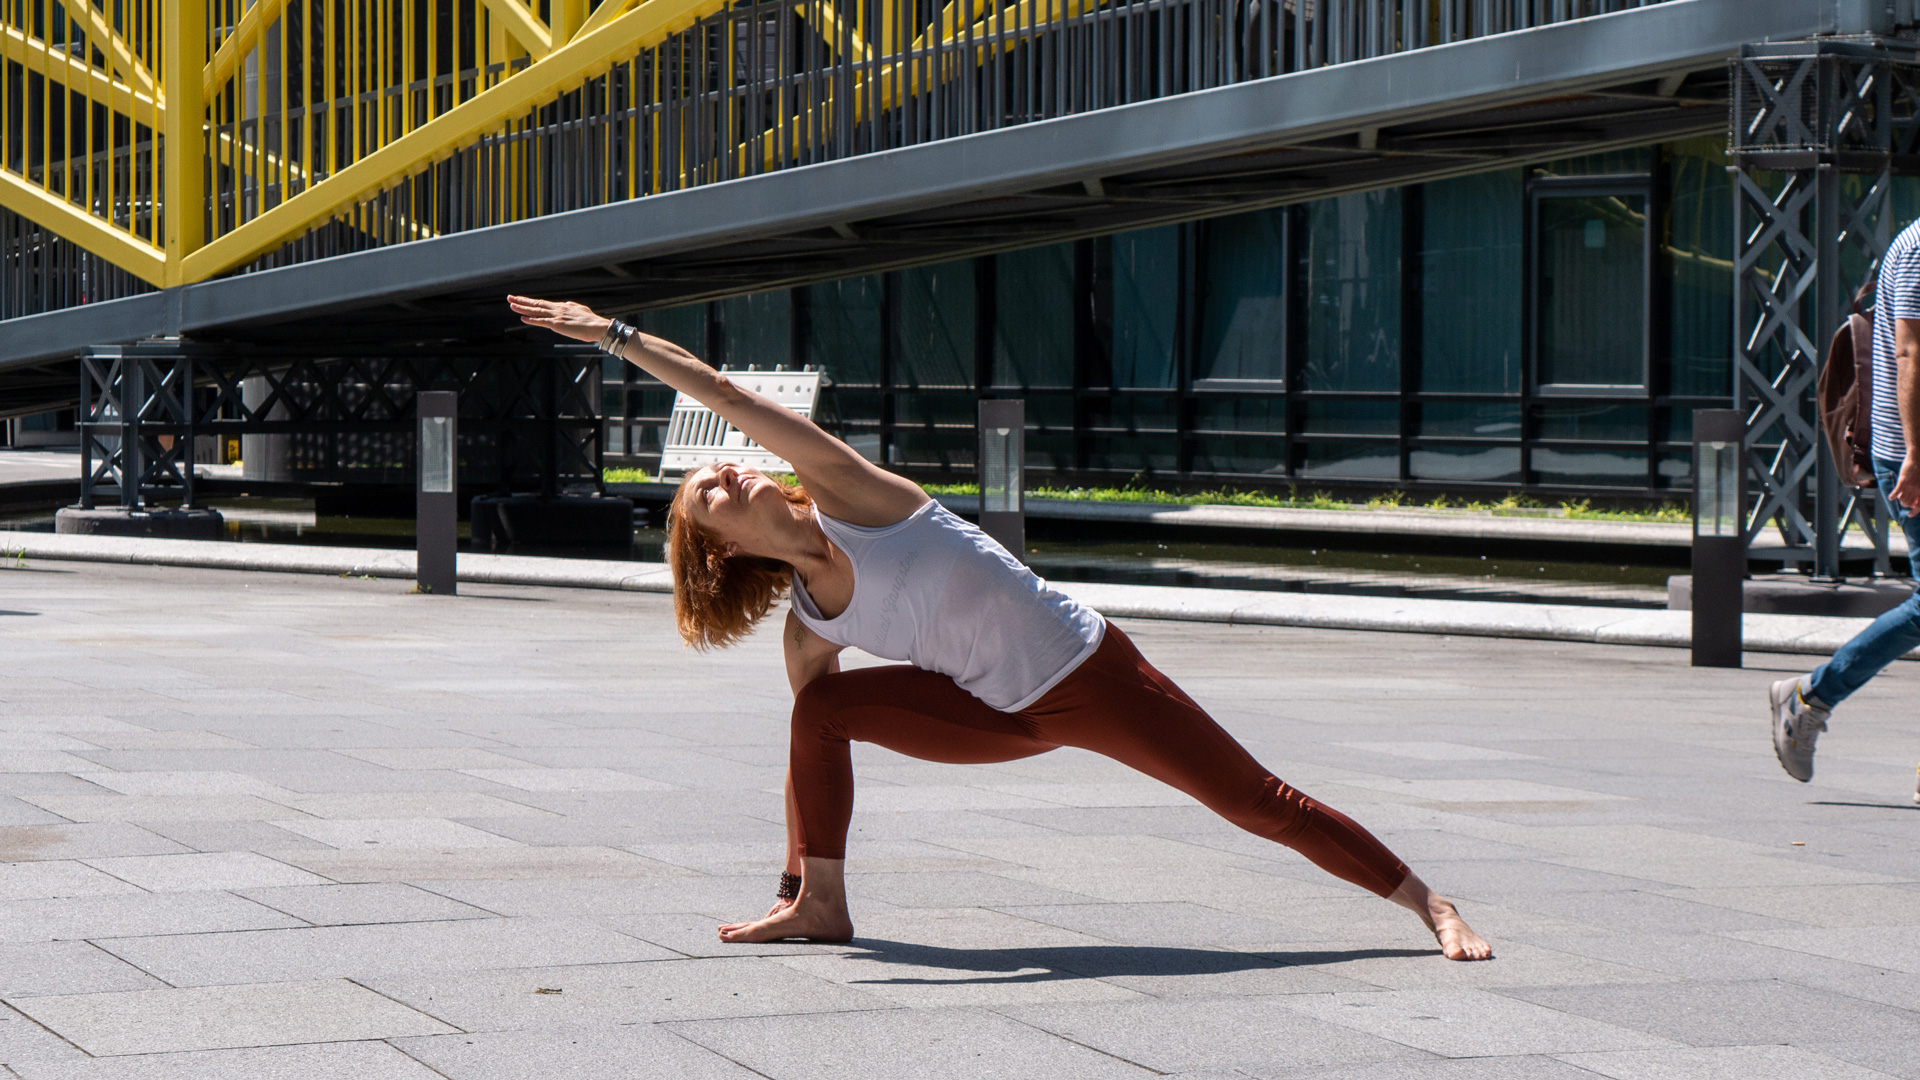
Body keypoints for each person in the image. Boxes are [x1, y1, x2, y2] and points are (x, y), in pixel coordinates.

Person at [509, 293, 1493, 960]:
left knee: (1252, 798)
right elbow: (807, 759)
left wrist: (614, 336)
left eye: (725, 467)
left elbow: (725, 396)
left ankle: (1426, 902)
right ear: (720, 550)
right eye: (709, 492)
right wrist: (788, 868)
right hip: (994, 715)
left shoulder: (851, 493)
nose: (730, 471)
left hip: (1089, 672)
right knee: (818, 713)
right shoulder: (808, 623)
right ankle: (821, 904)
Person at [1770, 216, 1920, 801]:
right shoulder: (1916, 249)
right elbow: (1910, 354)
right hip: (1911, 454)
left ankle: (1810, 699)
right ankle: (1810, 697)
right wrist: (1915, 452)